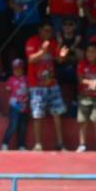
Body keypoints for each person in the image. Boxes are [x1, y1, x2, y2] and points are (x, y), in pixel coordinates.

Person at [25, 22, 68, 151]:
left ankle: (60, 143)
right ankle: (38, 144)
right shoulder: (32, 42)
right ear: (40, 30)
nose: (48, 33)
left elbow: (59, 60)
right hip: (36, 85)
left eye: (50, 31)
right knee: (38, 115)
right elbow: (31, 59)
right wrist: (42, 51)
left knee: (57, 113)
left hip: (52, 84)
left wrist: (62, 56)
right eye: (46, 30)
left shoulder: (53, 43)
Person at [76, 43, 96, 153]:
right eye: (89, 51)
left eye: (93, 51)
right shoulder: (81, 64)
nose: (91, 53)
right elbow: (80, 79)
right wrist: (91, 82)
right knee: (82, 120)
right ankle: (82, 144)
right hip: (84, 96)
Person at [1, 59, 29, 151]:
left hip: (24, 107)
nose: (17, 71)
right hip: (14, 107)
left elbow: (29, 91)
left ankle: (21, 145)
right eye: (15, 69)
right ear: (12, 70)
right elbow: (7, 91)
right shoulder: (11, 79)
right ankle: (5, 143)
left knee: (23, 127)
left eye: (19, 69)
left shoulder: (26, 79)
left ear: (23, 69)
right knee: (13, 125)